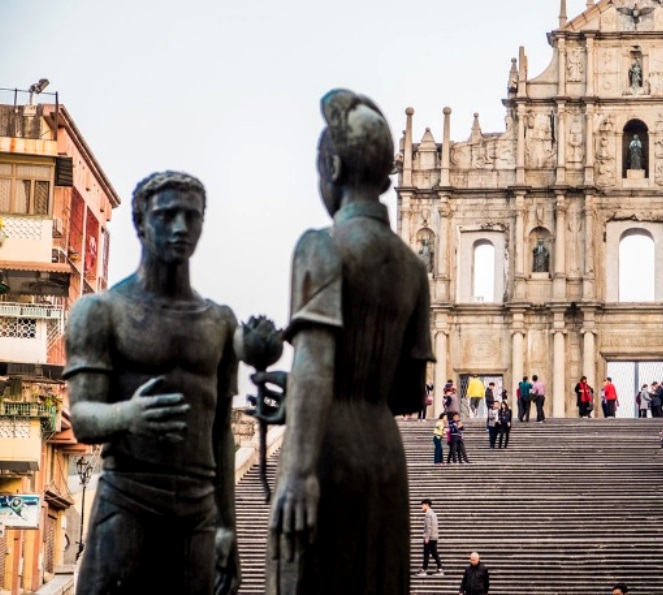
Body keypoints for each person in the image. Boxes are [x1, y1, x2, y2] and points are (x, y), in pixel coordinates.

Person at [262, 90, 433, 593]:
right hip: (384, 456)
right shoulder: (412, 267)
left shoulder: (320, 246)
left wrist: (295, 471)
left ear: (332, 167)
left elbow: (314, 362)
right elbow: (408, 394)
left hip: (327, 450)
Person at [64, 172, 240, 595]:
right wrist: (128, 415)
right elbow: (83, 418)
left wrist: (227, 526)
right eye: (167, 215)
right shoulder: (101, 312)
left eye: (191, 216)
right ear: (141, 222)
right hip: (129, 501)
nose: (180, 227)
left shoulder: (219, 322)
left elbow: (221, 431)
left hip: (197, 512)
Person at [415, 499, 444, 577]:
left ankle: (424, 570)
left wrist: (427, 537)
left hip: (429, 537)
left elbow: (429, 527)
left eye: (422, 505)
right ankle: (440, 569)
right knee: (434, 553)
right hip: (434, 537)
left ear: (426, 505)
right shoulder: (433, 513)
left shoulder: (428, 514)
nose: (421, 507)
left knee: (426, 554)